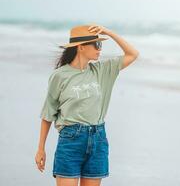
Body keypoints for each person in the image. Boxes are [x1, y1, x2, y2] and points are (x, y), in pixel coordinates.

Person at [35, 24, 139, 186]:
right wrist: (41, 148)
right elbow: (48, 113)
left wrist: (108, 32)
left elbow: (133, 54)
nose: (100, 49)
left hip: (98, 139)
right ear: (81, 47)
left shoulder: (103, 70)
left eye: (101, 44)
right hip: (70, 140)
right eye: (96, 44)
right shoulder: (60, 76)